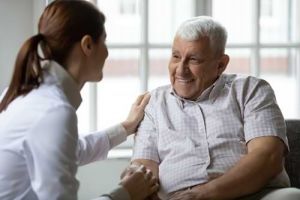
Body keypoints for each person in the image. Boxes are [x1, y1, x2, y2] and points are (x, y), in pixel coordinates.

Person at [0, 1, 158, 200]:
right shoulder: (53, 111)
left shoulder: (25, 94)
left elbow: (73, 150)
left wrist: (126, 127)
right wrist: (125, 193)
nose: (108, 53)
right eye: (105, 41)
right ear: (88, 45)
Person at [129, 16, 300, 199]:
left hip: (254, 194)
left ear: (221, 64)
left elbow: (268, 157)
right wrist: (135, 177)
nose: (180, 69)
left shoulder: (251, 90)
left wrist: (204, 195)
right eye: (176, 56)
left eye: (193, 59)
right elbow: (145, 165)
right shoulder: (153, 103)